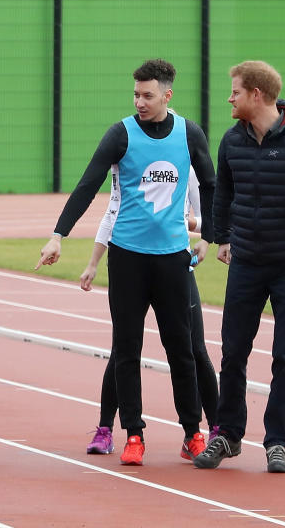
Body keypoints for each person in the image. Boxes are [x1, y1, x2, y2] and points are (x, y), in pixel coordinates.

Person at [36, 59, 215, 466]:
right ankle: (134, 434)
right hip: (129, 258)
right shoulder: (121, 134)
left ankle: (192, 432)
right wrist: (58, 235)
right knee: (127, 349)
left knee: (181, 351)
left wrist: (210, 236)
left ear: (167, 95)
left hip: (173, 258)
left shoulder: (189, 134)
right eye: (136, 94)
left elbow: (212, 183)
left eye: (147, 95)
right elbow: (87, 184)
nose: (139, 102)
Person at [193, 61, 285, 474]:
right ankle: (228, 435)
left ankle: (276, 442)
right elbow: (223, 194)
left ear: (256, 94)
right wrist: (222, 237)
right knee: (233, 352)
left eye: (235, 91)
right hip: (247, 261)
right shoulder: (231, 141)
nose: (230, 98)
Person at [82, 165, 219, 457]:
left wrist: (189, 225)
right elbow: (113, 211)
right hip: (134, 263)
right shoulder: (131, 161)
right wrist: (94, 262)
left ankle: (215, 428)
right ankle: (106, 428)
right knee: (123, 348)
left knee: (192, 348)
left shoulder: (186, 161)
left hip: (174, 262)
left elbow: (209, 215)